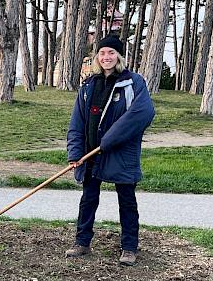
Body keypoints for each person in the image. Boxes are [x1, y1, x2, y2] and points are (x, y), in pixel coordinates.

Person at [64, 34, 155, 266]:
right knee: (88, 199)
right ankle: (82, 242)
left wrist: (109, 140)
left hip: (121, 154)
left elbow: (142, 114)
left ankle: (129, 247)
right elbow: (77, 123)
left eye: (111, 53)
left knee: (126, 200)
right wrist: (75, 153)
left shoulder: (134, 82)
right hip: (91, 154)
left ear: (119, 56)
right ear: (97, 57)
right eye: (102, 53)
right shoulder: (88, 85)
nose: (107, 57)